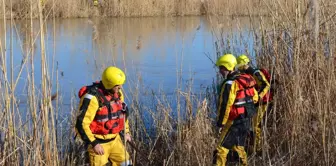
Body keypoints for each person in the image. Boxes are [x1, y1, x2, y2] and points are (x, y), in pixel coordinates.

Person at [75, 66, 132, 166]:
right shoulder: (92, 98)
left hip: (115, 140)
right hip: (98, 143)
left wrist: (126, 132)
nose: (120, 88)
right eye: (118, 86)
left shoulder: (118, 94)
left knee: (126, 163)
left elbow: (122, 115)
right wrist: (94, 144)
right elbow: (81, 124)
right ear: (110, 85)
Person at [213, 54, 259, 166]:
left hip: (234, 121)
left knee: (220, 149)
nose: (220, 71)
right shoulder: (246, 79)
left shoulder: (230, 84)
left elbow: (225, 105)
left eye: (221, 68)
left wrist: (220, 124)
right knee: (239, 147)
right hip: (246, 119)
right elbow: (256, 98)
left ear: (228, 67)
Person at [236, 54, 271, 153]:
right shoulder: (247, 73)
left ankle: (257, 148)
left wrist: (258, 97)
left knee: (256, 125)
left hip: (262, 102)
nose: (239, 68)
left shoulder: (255, 72)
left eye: (240, 66)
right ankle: (251, 145)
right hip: (254, 103)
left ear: (244, 64)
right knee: (250, 124)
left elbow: (266, 85)